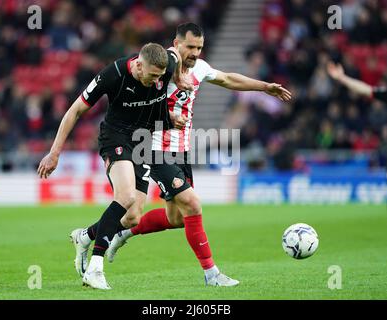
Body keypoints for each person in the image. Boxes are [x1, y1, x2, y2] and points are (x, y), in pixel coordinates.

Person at [82, 23, 289, 287]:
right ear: (176, 44)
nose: (195, 53)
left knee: (176, 218)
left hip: (181, 149)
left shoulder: (199, 68)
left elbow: (227, 79)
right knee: (192, 204)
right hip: (153, 145)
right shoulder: (162, 65)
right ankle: (212, 274)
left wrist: (263, 87)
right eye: (190, 47)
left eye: (199, 48)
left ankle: (115, 232)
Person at [37, 42, 191, 290]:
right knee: (126, 196)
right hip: (115, 138)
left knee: (132, 218)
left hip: (143, 141)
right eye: (152, 75)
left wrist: (179, 78)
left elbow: (175, 53)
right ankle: (95, 269)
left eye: (160, 76)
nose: (156, 81)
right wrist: (54, 153)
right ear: (139, 65)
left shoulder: (167, 64)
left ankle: (85, 236)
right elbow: (75, 110)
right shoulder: (113, 75)